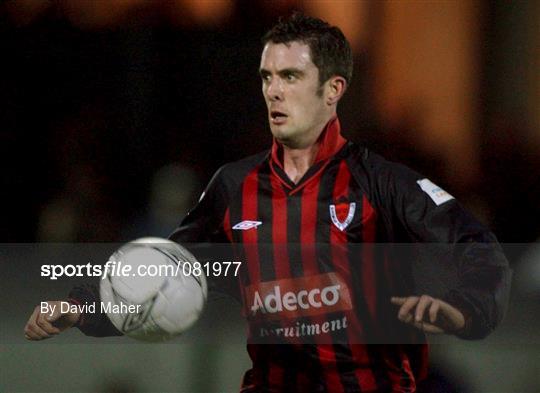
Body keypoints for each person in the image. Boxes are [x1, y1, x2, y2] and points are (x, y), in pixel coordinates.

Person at [25, 13, 511, 392]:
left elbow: (478, 248)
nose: (273, 91)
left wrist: (463, 309)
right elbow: (168, 272)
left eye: (291, 76)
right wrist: (79, 306)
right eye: (266, 77)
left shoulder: (384, 185)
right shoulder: (233, 187)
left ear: (332, 90)